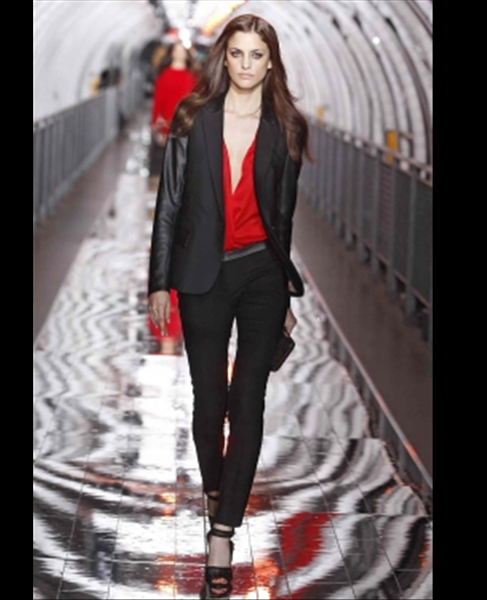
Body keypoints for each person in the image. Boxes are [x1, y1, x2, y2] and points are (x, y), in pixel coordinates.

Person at [147, 14, 310, 599]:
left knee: (248, 401)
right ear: (225, 58)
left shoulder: (286, 126)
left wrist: (286, 290)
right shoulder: (193, 119)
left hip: (262, 273)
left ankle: (222, 531)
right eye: (237, 54)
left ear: (271, 63)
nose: (246, 65)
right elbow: (169, 205)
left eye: (256, 55)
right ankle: (217, 488)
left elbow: (283, 217)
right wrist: (158, 284)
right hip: (201, 274)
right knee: (209, 400)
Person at [150, 43, 198, 179]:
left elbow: (195, 101)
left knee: (185, 157)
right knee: (170, 157)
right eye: (176, 50)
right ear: (171, 53)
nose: (179, 53)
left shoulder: (191, 76)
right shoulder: (164, 75)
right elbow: (158, 100)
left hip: (187, 121)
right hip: (168, 121)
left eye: (182, 51)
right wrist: (155, 121)